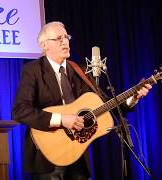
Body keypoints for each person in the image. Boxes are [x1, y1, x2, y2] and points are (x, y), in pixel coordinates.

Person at [12, 21, 151, 180]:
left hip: (78, 154)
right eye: (59, 38)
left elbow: (105, 105)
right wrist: (62, 119)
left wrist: (132, 98)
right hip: (47, 157)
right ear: (45, 46)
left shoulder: (80, 71)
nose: (65, 41)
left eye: (66, 37)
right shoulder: (33, 70)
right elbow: (20, 111)